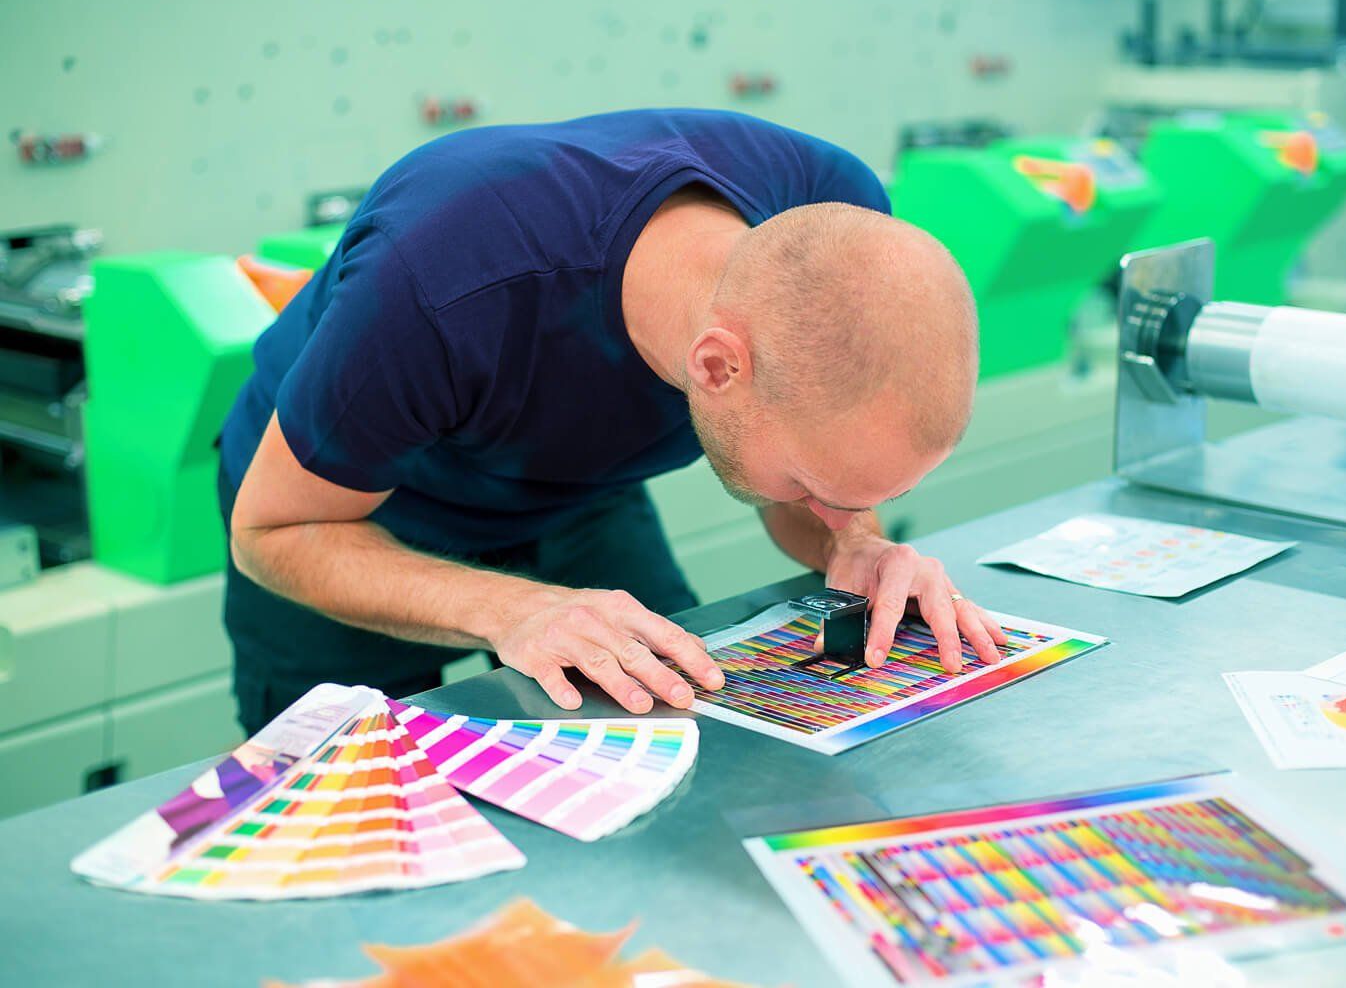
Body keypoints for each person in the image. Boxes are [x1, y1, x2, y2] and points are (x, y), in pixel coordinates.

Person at [218, 108, 1006, 735]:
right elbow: (274, 531)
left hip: (578, 480)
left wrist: (855, 542)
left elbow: (830, 457)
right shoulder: (439, 280)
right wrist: (513, 610)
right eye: (813, 487)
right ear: (717, 368)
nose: (829, 508)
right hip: (343, 507)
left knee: (679, 716)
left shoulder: (834, 225)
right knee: (350, 788)